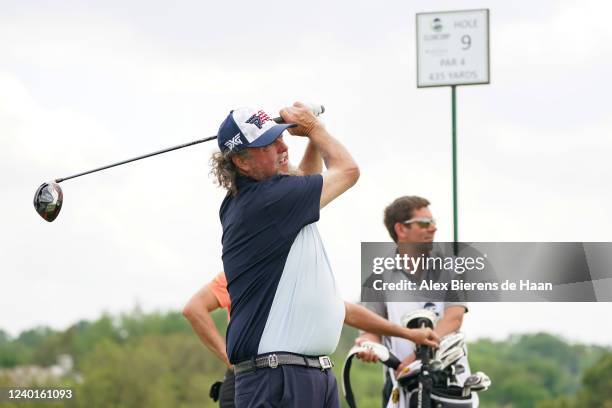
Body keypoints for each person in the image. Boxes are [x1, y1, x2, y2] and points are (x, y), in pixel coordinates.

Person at [210, 103, 438, 407]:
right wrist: (315, 130)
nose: (282, 145)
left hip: (301, 373)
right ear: (242, 161)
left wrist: (313, 137)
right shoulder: (266, 202)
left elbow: (305, 177)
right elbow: (348, 170)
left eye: (281, 136)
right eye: (268, 143)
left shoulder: (265, 201)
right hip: (277, 379)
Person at [183, 272, 441, 408]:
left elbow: (345, 311)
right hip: (248, 380)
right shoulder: (241, 270)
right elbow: (193, 308)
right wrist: (228, 358)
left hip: (300, 379)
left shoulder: (303, 277)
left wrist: (407, 334)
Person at [356, 195, 477, 407]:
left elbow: (454, 319)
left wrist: (417, 356)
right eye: (424, 223)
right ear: (401, 229)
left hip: (451, 387)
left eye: (433, 223)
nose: (433, 229)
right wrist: (368, 346)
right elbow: (370, 330)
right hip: (401, 388)